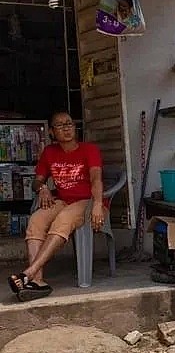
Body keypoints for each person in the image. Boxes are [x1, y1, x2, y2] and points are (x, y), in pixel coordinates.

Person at [7, 111, 105, 301]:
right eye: (60, 125)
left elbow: (96, 179)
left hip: (87, 200)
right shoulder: (49, 152)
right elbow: (37, 181)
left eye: (69, 123)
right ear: (52, 132)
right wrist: (43, 188)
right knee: (36, 220)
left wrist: (98, 204)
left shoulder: (89, 149)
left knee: (63, 220)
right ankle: (38, 282)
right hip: (62, 200)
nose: (67, 128)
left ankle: (29, 273)